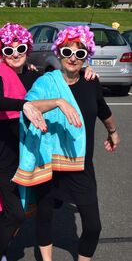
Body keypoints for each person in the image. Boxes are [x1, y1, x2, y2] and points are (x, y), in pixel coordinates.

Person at [0, 23, 94, 261]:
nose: (15, 53)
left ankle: (3, 251)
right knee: (15, 214)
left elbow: (60, 79)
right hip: (4, 156)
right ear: (1, 52)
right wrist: (24, 105)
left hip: (27, 152)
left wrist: (87, 72)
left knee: (24, 210)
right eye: (9, 50)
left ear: (27, 48)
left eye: (20, 48)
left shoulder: (30, 74)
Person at [13, 25, 120, 261]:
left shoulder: (91, 82)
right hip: (50, 162)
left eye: (80, 54)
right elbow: (29, 106)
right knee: (45, 216)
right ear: (59, 52)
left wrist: (112, 131)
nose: (73, 58)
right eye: (67, 52)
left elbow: (102, 110)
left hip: (81, 166)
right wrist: (59, 102)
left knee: (93, 226)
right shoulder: (45, 82)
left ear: (86, 57)